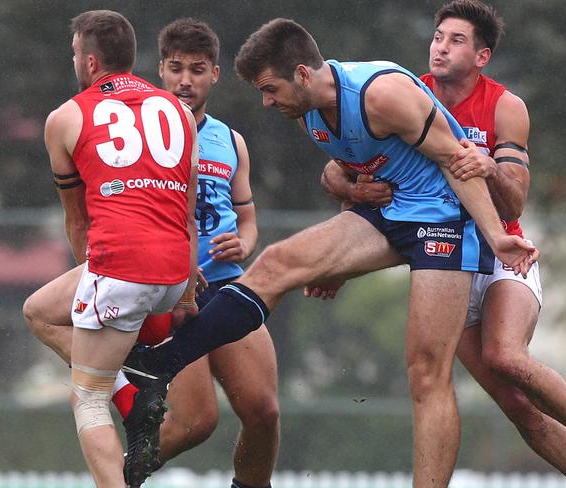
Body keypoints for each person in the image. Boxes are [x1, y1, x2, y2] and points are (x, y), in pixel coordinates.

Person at [121, 17, 537, 488]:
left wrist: (496, 234)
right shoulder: (305, 110)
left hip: (445, 218)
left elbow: (456, 160)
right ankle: (160, 366)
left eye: (271, 89)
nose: (266, 101)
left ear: (302, 74)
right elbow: (348, 171)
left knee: (426, 374)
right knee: (277, 264)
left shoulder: (382, 93)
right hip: (391, 212)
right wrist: (337, 258)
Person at [316, 2, 566, 487]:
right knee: (517, 408)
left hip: (502, 253)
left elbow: (514, 201)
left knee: (505, 355)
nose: (440, 47)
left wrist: (491, 167)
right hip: (445, 264)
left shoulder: (505, 106)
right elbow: (334, 168)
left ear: (482, 56)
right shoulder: (405, 94)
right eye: (437, 37)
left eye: (456, 40)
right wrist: (352, 190)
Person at [23, 18, 280, 488]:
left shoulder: (228, 139)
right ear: (158, 70)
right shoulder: (169, 117)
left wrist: (245, 240)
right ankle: (127, 449)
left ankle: (127, 431)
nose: (185, 80)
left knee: (263, 412)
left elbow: (244, 216)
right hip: (173, 275)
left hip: (208, 279)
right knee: (194, 421)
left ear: (215, 74)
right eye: (176, 68)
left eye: (197, 70)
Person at [38, 10, 198, 488]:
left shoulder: (65, 117)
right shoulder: (179, 110)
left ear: (89, 62)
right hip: (173, 272)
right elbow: (188, 215)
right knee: (39, 310)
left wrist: (101, 286)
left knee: (86, 396)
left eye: (73, 54)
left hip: (121, 269)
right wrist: (186, 295)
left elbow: (77, 221)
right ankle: (134, 386)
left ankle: (126, 401)